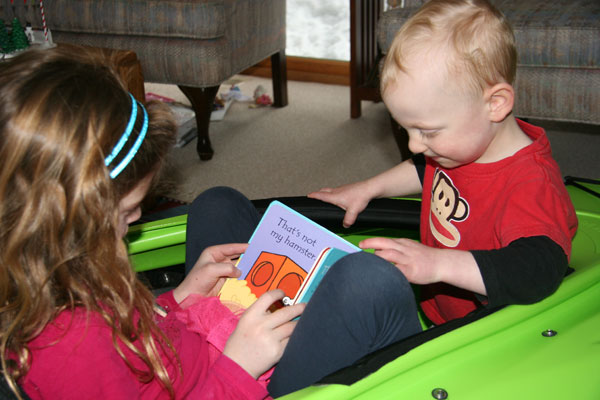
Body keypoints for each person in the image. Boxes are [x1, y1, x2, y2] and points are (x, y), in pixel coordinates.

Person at [0, 48, 422, 399]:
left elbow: (129, 341)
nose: (137, 218)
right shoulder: (71, 349)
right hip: (228, 384)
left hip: (191, 356)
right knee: (371, 283)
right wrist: (240, 366)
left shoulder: (68, 276)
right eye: (127, 211)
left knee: (217, 204)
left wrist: (178, 301)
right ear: (65, 218)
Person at [309, 0, 578, 326]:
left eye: (427, 131)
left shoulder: (531, 183)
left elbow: (537, 272)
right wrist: (369, 189)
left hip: (481, 329)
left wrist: (438, 265)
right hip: (439, 306)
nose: (413, 144)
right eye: (404, 128)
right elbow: (427, 170)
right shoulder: (458, 147)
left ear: (496, 104)